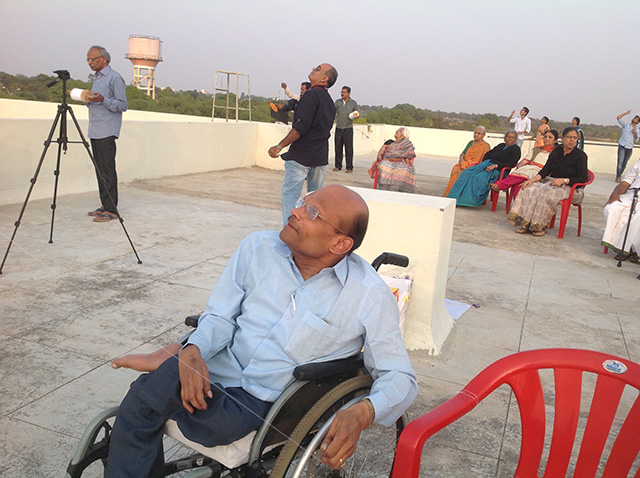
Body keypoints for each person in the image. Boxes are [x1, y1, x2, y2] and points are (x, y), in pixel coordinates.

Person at [104, 185, 418, 477]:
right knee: (138, 401)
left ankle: (167, 365)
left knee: (200, 417)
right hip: (216, 367)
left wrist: (363, 412)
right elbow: (220, 317)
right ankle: (174, 358)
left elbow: (399, 376)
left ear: (339, 243)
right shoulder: (257, 247)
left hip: (259, 399)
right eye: (301, 203)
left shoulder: (368, 295)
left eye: (312, 213)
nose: (295, 212)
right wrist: (193, 350)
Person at [268, 64, 338, 224]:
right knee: (314, 202)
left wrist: (279, 146)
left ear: (325, 78)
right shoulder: (329, 101)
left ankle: (290, 235)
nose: (314, 68)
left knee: (291, 197)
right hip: (319, 157)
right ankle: (309, 236)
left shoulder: (311, 96)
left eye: (318, 69)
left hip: (302, 156)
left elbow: (300, 128)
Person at [507, 127, 588, 236]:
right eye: (569, 137)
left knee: (546, 194)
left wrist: (564, 180)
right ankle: (525, 224)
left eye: (574, 138)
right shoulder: (556, 151)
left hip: (572, 188)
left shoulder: (580, 156)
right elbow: (546, 170)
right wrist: (532, 180)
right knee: (528, 189)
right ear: (563, 138)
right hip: (552, 183)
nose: (572, 140)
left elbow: (583, 178)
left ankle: (540, 226)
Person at [85, 45, 128, 223]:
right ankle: (105, 204)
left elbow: (122, 105)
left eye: (93, 59)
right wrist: (88, 99)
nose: (90, 63)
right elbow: (96, 101)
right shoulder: (96, 79)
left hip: (106, 131)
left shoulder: (114, 78)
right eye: (88, 60)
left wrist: (103, 100)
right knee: (100, 170)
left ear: (103, 59)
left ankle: (112, 210)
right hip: (95, 130)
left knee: (108, 170)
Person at [447, 130, 521, 207]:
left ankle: (468, 201)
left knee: (478, 177)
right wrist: (484, 164)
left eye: (512, 138)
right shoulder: (501, 145)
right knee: (467, 172)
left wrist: (496, 165)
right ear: (505, 138)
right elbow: (488, 154)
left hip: (498, 170)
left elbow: (511, 163)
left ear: (515, 139)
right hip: (486, 164)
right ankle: (455, 198)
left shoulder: (515, 149)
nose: (510, 139)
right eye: (508, 137)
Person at [490, 129, 559, 201]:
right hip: (528, 170)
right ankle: (517, 210)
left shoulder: (556, 152)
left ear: (555, 140)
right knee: (519, 184)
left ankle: (500, 185)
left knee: (524, 175)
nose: (547, 139)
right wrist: (520, 168)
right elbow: (523, 162)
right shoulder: (536, 149)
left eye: (550, 137)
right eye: (545, 137)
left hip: (542, 173)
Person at [602, 159, 640, 263]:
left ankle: (635, 250)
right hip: (633, 195)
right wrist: (615, 194)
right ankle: (623, 247)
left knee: (637, 218)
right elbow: (626, 181)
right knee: (611, 208)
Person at [442, 126, 491, 197]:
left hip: (475, 166)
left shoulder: (485, 146)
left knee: (463, 172)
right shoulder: (470, 142)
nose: (476, 135)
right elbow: (462, 154)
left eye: (479, 133)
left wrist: (467, 164)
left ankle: (459, 197)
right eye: (475, 133)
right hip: (464, 163)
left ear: (483, 135)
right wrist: (462, 161)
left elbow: (483, 160)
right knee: (455, 169)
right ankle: (450, 194)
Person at [367, 127, 416, 192]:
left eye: (399, 131)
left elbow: (410, 153)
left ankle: (398, 188)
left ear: (403, 135)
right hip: (387, 160)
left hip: (401, 161)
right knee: (383, 166)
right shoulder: (389, 142)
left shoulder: (407, 144)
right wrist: (380, 155)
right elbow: (380, 152)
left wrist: (407, 157)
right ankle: (384, 188)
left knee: (404, 169)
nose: (396, 131)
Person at [333, 86, 359, 173]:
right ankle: (338, 166)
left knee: (348, 149)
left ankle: (349, 167)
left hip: (348, 128)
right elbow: (333, 112)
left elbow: (357, 113)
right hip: (339, 128)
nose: (342, 94)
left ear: (348, 93)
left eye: (344, 92)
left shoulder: (353, 103)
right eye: (341, 92)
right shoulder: (338, 102)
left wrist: (354, 116)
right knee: (338, 148)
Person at [614, 110, 640, 182]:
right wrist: (626, 113)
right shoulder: (626, 125)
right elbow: (618, 117)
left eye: (636, 119)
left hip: (629, 147)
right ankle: (618, 177)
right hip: (622, 145)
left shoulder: (637, 130)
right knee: (620, 162)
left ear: (637, 122)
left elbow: (636, 140)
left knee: (624, 163)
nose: (634, 119)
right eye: (634, 118)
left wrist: (635, 133)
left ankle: (619, 175)